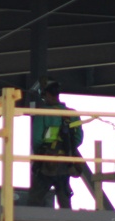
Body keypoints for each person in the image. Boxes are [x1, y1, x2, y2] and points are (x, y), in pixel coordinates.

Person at [29, 79, 83, 208]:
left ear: (47, 95)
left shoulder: (43, 113)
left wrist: (39, 156)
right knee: (64, 200)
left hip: (47, 162)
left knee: (34, 200)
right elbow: (78, 139)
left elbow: (36, 139)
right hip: (66, 162)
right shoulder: (72, 114)